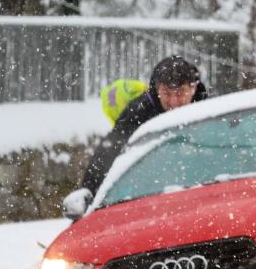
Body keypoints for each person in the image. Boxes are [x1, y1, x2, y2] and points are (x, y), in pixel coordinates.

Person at [63, 55, 208, 216]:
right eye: (166, 93)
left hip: (202, 197)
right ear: (156, 88)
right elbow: (108, 152)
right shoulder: (139, 111)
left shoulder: (209, 112)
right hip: (150, 200)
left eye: (180, 93)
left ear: (193, 88)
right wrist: (88, 190)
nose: (173, 102)